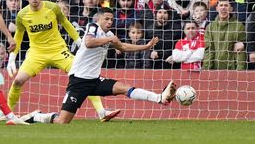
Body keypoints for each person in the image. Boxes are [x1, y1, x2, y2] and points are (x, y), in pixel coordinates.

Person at [20, 7, 176, 124]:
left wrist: (146, 47)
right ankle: (36, 116)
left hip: (95, 80)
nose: (109, 22)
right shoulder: (92, 27)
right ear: (99, 19)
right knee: (63, 121)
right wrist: (110, 40)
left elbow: (123, 47)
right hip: (79, 81)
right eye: (106, 19)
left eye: (111, 19)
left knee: (124, 87)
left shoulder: (109, 35)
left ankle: (160, 98)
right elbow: (88, 43)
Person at [6, 0, 120, 123]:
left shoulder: (52, 8)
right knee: (18, 80)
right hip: (36, 54)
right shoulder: (22, 15)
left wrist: (79, 42)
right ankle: (8, 114)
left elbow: (66, 24)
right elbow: (18, 35)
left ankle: (102, 112)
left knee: (83, 75)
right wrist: (12, 58)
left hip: (59, 51)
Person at [203, 0, 246, 70]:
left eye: (226, 5)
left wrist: (240, 72)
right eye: (221, 5)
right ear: (217, 8)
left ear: (231, 9)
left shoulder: (239, 26)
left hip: (232, 70)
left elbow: (240, 52)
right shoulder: (210, 27)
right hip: (215, 70)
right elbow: (209, 50)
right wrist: (207, 70)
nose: (223, 8)